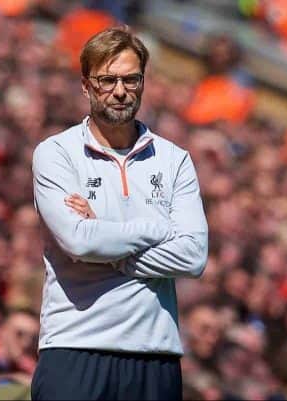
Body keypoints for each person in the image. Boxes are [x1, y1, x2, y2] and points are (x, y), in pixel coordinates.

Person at [30, 26, 209, 400]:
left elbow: (193, 256)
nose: (120, 90)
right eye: (107, 80)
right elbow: (78, 240)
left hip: (155, 351)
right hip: (75, 344)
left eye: (131, 79)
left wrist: (112, 248)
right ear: (85, 85)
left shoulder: (174, 159)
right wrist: (159, 229)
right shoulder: (57, 153)